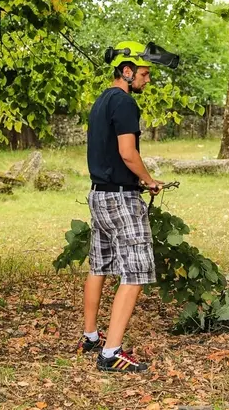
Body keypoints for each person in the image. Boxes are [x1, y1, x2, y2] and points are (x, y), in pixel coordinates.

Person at [77, 40, 179, 373]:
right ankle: (110, 354)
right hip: (121, 198)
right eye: (145, 74)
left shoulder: (101, 101)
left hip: (99, 195)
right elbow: (127, 153)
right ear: (126, 71)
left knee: (99, 266)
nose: (148, 80)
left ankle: (90, 336)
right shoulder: (124, 103)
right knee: (136, 271)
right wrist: (148, 180)